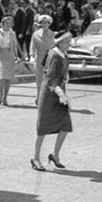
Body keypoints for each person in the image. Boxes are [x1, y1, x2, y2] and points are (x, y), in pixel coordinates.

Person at [31, 31, 74, 171]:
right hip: (50, 94)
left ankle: (55, 155)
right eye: (67, 42)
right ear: (60, 42)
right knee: (43, 126)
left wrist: (65, 76)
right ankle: (35, 158)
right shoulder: (54, 54)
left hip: (59, 91)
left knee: (65, 124)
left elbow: (60, 72)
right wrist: (60, 93)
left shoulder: (64, 54)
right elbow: (49, 78)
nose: (69, 44)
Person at [0, 15, 25, 106]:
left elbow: (15, 46)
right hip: (1, 55)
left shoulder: (12, 33)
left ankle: (5, 97)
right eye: (6, 23)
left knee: (8, 78)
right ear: (2, 24)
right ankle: (0, 95)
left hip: (10, 55)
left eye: (10, 24)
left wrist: (17, 57)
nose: (8, 25)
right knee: (1, 77)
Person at [31, 15, 55, 104]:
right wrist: (31, 56)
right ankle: (39, 96)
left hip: (49, 58)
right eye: (42, 23)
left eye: (46, 23)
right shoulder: (36, 34)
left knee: (48, 78)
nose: (44, 24)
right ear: (40, 24)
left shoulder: (52, 34)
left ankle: (47, 97)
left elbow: (54, 46)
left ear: (49, 24)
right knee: (39, 78)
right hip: (39, 58)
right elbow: (32, 47)